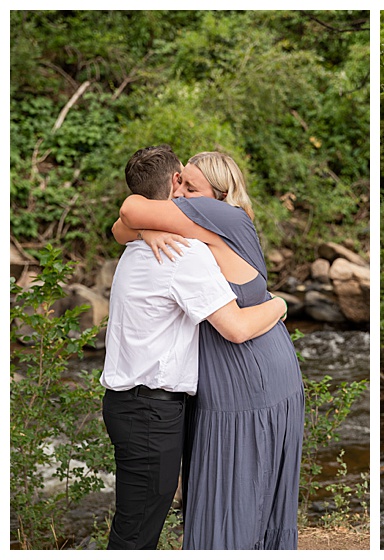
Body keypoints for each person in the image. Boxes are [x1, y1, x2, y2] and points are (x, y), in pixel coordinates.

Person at [114, 150, 305, 550]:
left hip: (250, 373)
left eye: (190, 186)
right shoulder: (195, 229)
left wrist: (282, 303)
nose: (179, 193)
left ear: (219, 197)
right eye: (179, 182)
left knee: (235, 494)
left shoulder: (227, 218)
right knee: (219, 492)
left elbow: (132, 208)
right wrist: (147, 230)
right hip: (223, 375)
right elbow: (123, 225)